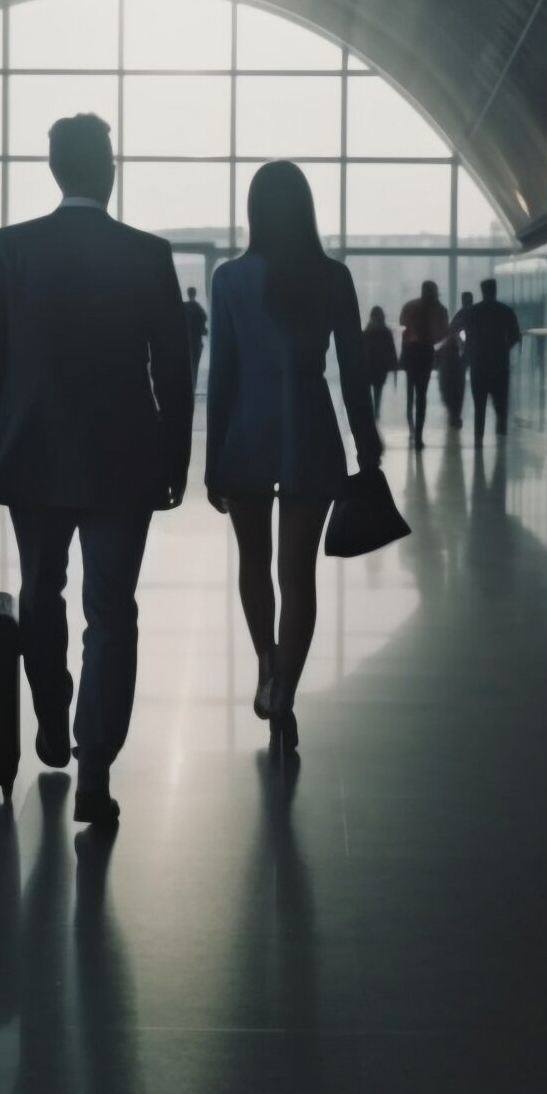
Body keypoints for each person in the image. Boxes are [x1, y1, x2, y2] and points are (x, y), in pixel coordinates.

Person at [0, 112, 191, 825]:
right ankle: (93, 767)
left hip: (31, 454)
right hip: (124, 461)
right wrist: (173, 463)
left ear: (55, 170)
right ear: (108, 168)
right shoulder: (147, 254)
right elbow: (173, 374)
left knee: (40, 592)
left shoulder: (10, 249)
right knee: (111, 611)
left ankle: (51, 718)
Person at [206, 162, 383, 753]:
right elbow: (354, 374)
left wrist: (212, 460)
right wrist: (366, 445)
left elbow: (223, 375)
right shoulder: (332, 278)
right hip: (310, 428)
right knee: (298, 574)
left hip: (246, 430)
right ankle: (285, 689)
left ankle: (264, 663)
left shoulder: (229, 279)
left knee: (254, 561)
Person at [460, 278, 523, 446]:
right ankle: (501, 438)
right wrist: (503, 348)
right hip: (500, 364)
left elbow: (467, 336)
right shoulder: (505, 311)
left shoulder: (473, 312)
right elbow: (516, 336)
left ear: (482, 291)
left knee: (479, 406)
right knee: (501, 405)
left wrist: (469, 354)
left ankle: (478, 438)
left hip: (478, 364)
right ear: (495, 290)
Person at [398, 280, 449, 448]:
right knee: (422, 394)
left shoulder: (410, 306)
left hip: (410, 352)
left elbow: (402, 322)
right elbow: (443, 333)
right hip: (426, 353)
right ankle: (418, 434)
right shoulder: (440, 310)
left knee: (411, 388)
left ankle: (410, 423)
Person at [438, 290, 473, 431]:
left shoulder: (459, 316)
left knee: (454, 385)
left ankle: (454, 413)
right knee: (459, 386)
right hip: (465, 356)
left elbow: (451, 332)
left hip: (457, 358)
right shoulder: (473, 315)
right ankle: (455, 413)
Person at [361, 307, 397, 423]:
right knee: (378, 390)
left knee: (367, 390)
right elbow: (391, 350)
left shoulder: (367, 332)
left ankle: (370, 412)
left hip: (368, 365)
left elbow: (361, 349)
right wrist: (393, 364)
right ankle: (376, 412)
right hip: (381, 366)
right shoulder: (386, 332)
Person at [183, 288, 209, 385]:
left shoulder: (183, 308)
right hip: (196, 344)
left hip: (185, 344)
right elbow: (203, 330)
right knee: (195, 368)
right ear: (195, 294)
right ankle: (193, 388)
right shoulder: (199, 309)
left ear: (188, 293)